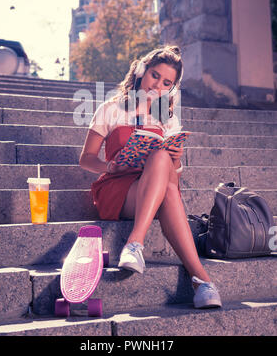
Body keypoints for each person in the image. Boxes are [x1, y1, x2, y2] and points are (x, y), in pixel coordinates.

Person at [79, 45, 222, 309]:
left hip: (153, 190)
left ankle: (137, 245)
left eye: (167, 82)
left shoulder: (166, 120)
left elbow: (173, 186)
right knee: (162, 172)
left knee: (161, 162)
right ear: (142, 71)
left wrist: (176, 159)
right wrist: (109, 167)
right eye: (155, 75)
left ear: (172, 88)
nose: (158, 85)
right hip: (116, 187)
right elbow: (85, 159)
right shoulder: (111, 109)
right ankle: (202, 281)